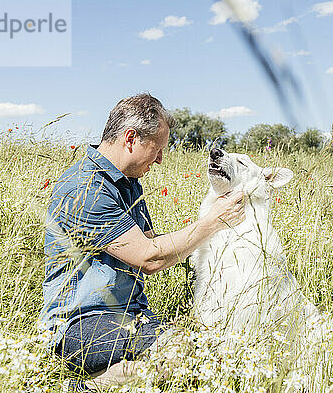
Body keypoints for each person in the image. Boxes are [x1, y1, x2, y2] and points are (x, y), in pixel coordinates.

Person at [39, 93, 245, 391]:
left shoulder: (128, 183)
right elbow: (149, 258)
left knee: (205, 352)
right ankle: (81, 389)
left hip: (130, 316)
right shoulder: (85, 188)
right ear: (131, 138)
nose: (160, 159)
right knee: (179, 351)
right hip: (80, 325)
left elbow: (151, 244)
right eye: (158, 149)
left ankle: (119, 376)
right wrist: (212, 221)